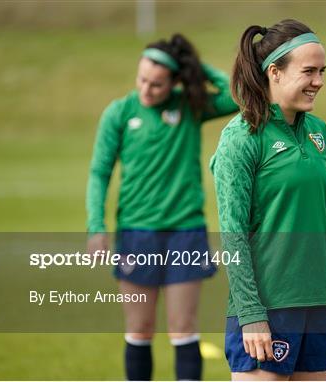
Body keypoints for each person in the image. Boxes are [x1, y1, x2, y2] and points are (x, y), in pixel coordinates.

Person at [211, 19, 326, 380]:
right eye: (309, 71)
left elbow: (324, 223)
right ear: (274, 72)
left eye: (322, 71)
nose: (319, 81)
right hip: (269, 307)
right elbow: (233, 233)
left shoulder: (319, 132)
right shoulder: (242, 137)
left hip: (320, 302)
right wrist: (250, 314)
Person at [86, 34, 238, 381]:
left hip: (185, 231)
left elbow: (236, 95)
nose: (146, 89)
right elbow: (99, 173)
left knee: (182, 328)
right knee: (139, 329)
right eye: (142, 80)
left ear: (175, 82)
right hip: (137, 235)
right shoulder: (120, 113)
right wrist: (96, 226)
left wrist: (196, 69)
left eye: (156, 84)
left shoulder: (189, 106)